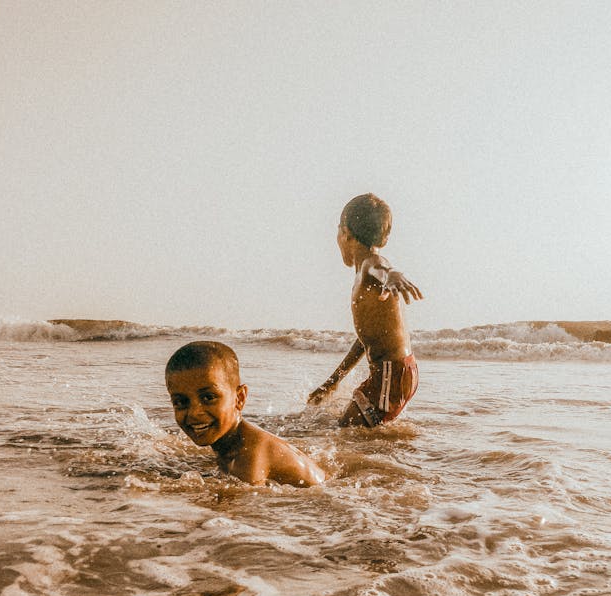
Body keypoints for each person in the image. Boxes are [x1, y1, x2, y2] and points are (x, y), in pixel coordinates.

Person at [308, 193, 423, 426]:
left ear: (345, 233)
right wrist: (333, 381)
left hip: (391, 373)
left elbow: (381, 266)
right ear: (385, 238)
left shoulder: (369, 267)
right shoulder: (366, 275)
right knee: (355, 432)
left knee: (346, 434)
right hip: (398, 372)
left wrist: (392, 274)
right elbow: (365, 339)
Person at [166, 341, 325, 486]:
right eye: (181, 402)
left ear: (239, 398)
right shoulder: (231, 442)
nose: (194, 413)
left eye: (208, 398)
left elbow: (237, 512)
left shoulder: (249, 455)